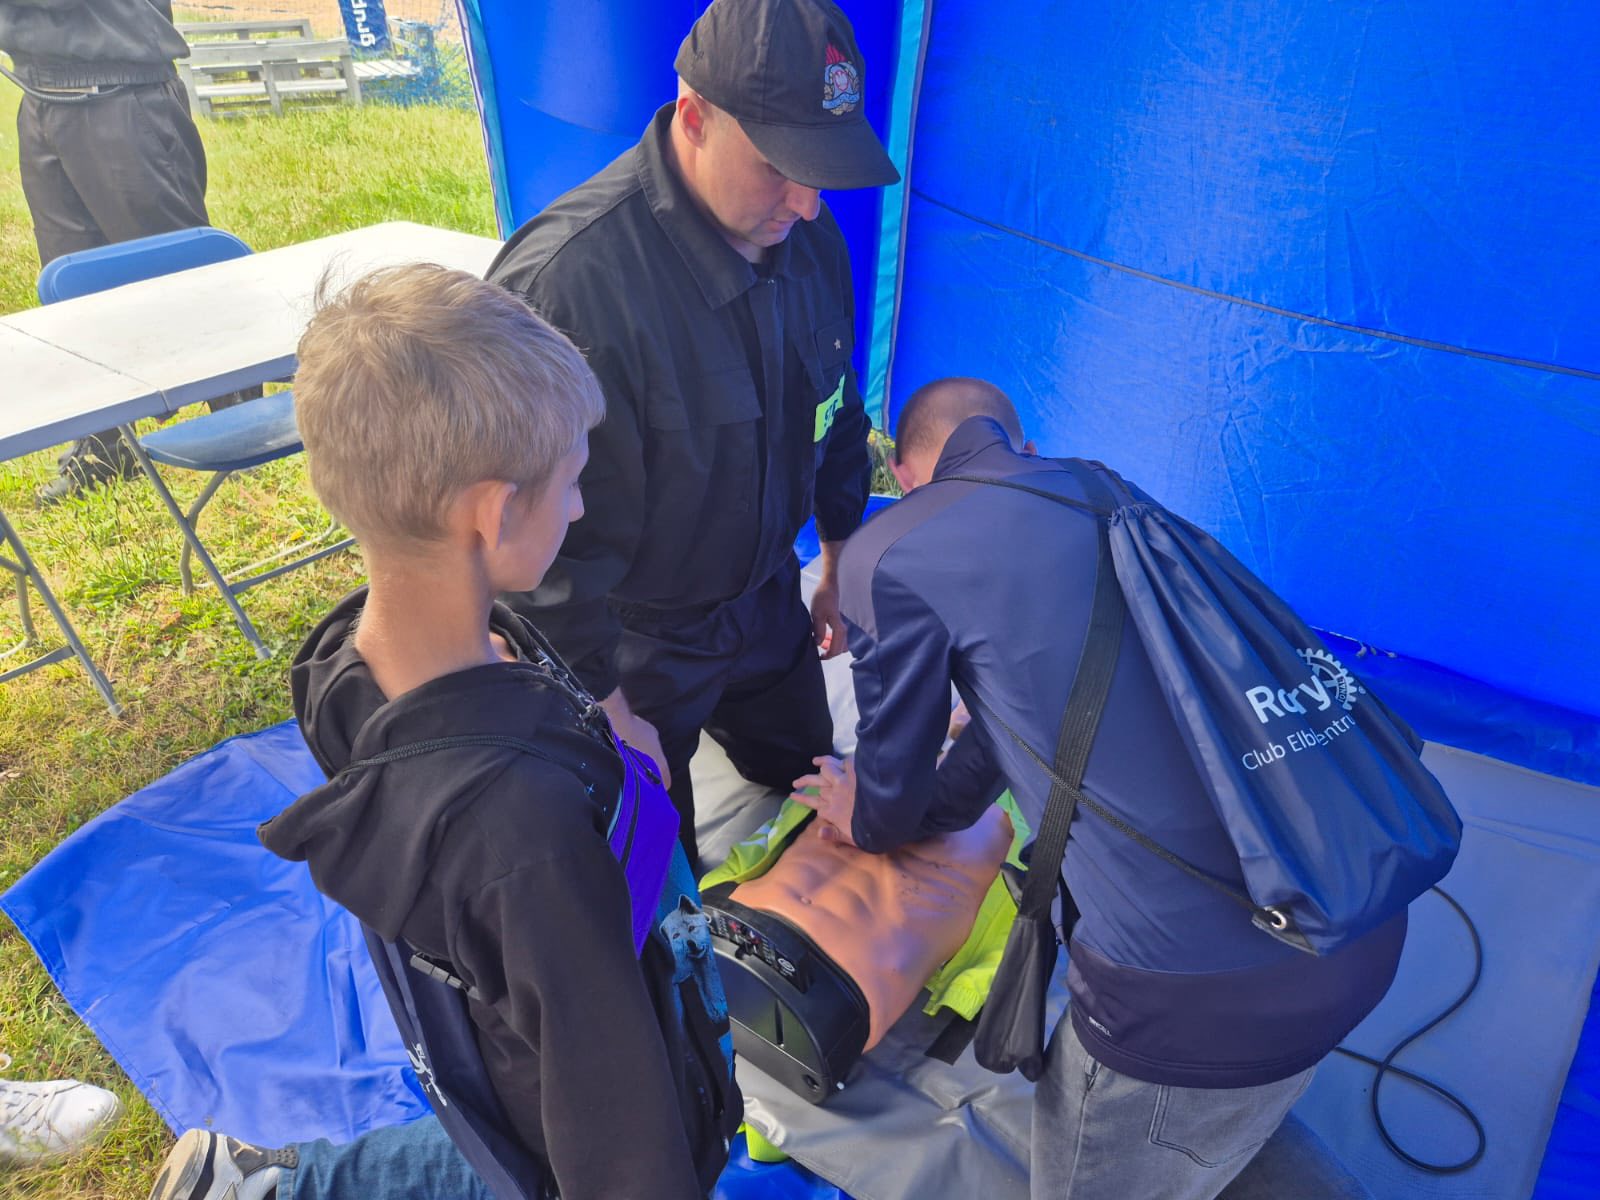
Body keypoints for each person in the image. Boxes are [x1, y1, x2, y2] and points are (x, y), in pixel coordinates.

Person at [148, 264, 738, 1200]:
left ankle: (264, 1183)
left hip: (499, 1043)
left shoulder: (342, 658)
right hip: (583, 1080)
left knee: (492, 1140)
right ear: (495, 512)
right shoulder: (528, 838)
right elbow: (620, 1151)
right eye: (571, 482)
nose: (579, 506)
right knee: (527, 1160)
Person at [794, 378, 1406, 1200]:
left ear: (903, 475)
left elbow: (892, 804)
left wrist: (860, 811)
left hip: (1187, 998)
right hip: (1354, 913)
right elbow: (1028, 738)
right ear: (1026, 449)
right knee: (1216, 1124)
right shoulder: (1106, 493)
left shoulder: (896, 546)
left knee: (1155, 1127)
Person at [487, 0, 899, 871]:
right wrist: (605, 701)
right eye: (780, 166)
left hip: (765, 600)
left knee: (815, 780)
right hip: (634, 638)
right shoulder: (566, 287)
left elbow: (837, 412)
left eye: (822, 169)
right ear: (694, 116)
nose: (807, 202)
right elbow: (527, 548)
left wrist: (838, 558)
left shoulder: (810, 238)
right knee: (651, 865)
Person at [0, 0, 210, 503]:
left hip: (121, 91)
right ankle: (105, 443)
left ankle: (245, 414)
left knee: (181, 275)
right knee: (74, 290)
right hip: (41, 94)